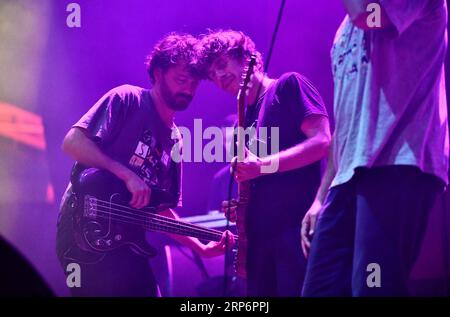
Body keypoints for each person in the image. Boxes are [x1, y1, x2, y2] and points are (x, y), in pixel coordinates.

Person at [56, 33, 234, 297]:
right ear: (158, 73)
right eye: (181, 80)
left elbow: (160, 210)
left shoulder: (175, 140)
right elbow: (72, 142)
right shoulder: (127, 99)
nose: (188, 89)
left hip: (125, 241)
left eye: (194, 84)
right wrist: (125, 173)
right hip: (84, 227)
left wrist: (201, 246)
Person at [301, 0, 449, 296]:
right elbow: (345, 122)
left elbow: (364, 15)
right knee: (320, 290)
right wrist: (320, 197)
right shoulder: (342, 31)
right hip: (347, 178)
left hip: (398, 166)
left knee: (374, 287)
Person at [199, 30, 331, 296]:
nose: (219, 77)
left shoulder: (288, 85)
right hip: (260, 242)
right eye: (212, 74)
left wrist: (263, 166)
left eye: (222, 65)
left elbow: (321, 142)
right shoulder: (242, 119)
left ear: (250, 60)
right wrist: (243, 208)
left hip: (295, 231)